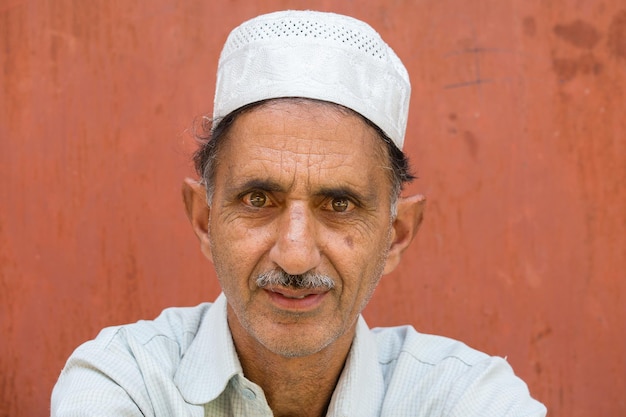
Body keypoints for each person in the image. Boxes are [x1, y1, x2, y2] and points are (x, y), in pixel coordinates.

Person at [51, 10, 547, 417]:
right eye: (257, 200)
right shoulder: (126, 380)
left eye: (339, 205)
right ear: (204, 220)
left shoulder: (466, 397)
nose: (294, 255)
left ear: (395, 236)